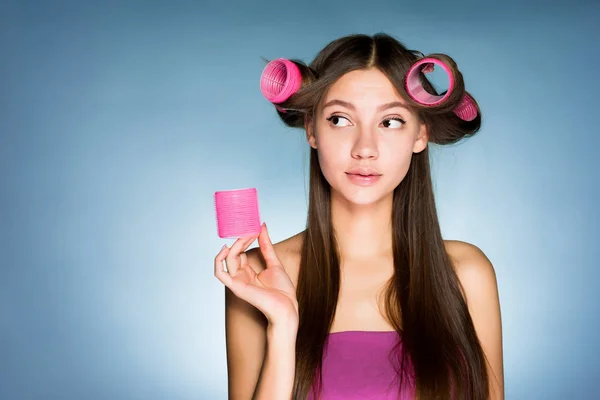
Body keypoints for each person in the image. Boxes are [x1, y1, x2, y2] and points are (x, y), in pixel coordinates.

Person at [214, 33, 504, 400]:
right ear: (311, 130)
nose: (365, 148)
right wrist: (283, 328)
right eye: (340, 119)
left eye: (391, 121)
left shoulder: (468, 273)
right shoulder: (258, 277)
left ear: (421, 134)